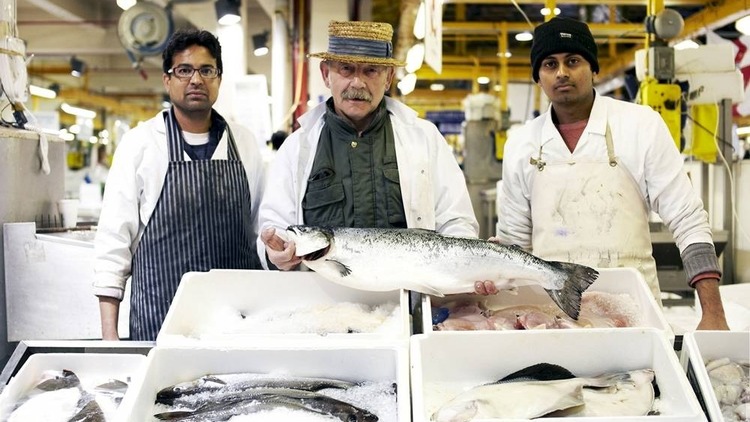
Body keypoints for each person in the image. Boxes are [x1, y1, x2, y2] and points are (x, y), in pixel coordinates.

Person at [488, 17, 728, 330]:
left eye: (573, 61)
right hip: (553, 315)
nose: (562, 72)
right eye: (549, 64)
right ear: (538, 76)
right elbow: (515, 243)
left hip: (635, 312)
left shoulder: (641, 125)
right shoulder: (522, 142)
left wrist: (713, 313)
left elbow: (688, 219)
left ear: (593, 68)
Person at [257, 20, 478, 271]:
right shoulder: (296, 148)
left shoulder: (425, 139)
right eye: (346, 69)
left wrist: (465, 265)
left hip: (407, 295)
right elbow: (274, 227)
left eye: (371, 70)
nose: (358, 83)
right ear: (326, 74)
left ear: (388, 78)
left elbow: (456, 220)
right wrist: (276, 252)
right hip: (322, 300)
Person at [93, 29, 265, 341]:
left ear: (219, 79)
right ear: (167, 80)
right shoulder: (141, 144)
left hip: (237, 327)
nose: (196, 80)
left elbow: (261, 234)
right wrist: (110, 337)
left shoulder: (245, 144)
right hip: (160, 324)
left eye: (206, 70)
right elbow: (113, 243)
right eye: (184, 70)